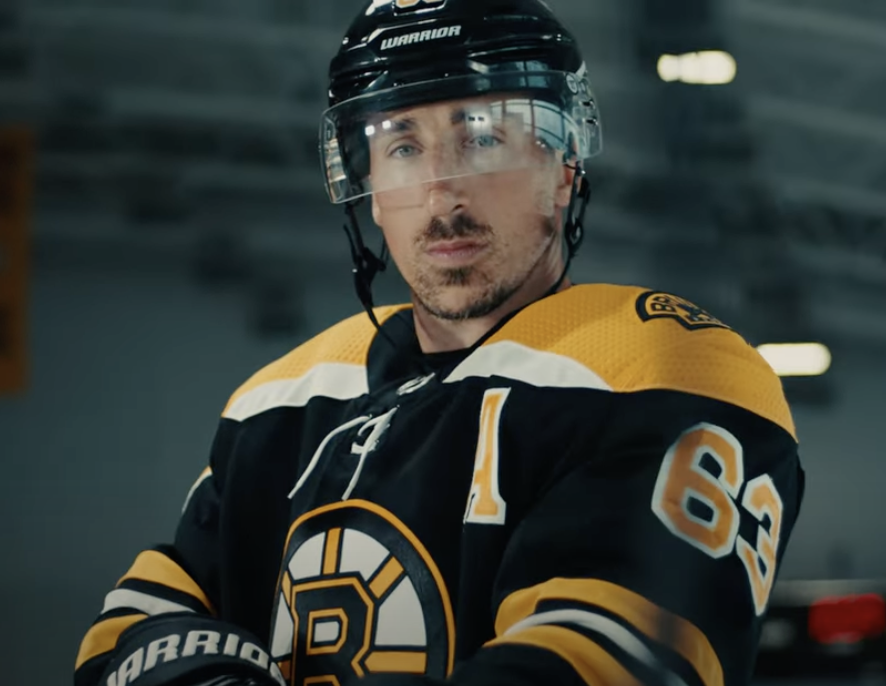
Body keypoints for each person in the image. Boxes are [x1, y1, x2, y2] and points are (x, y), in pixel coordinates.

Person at [73, 1, 806, 685]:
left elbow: (604, 657)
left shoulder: (666, 370)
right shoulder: (283, 401)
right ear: (368, 186)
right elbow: (129, 633)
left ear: (562, 169)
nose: (440, 193)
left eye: (481, 138)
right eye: (402, 146)